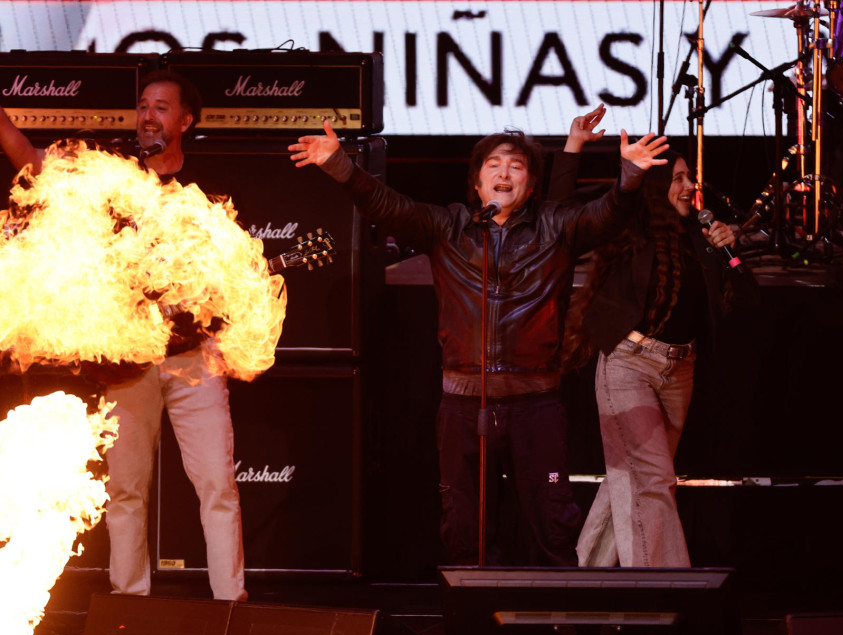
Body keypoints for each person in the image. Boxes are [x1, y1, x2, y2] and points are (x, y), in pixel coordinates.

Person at [289, 108, 668, 566]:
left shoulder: (556, 228)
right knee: (466, 535)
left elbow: (606, 216)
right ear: (477, 183)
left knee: (552, 529)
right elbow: (385, 203)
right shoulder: (445, 227)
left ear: (530, 187)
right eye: (494, 165)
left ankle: (561, 634)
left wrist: (628, 176)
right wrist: (340, 165)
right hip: (464, 407)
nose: (504, 172)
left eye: (516, 166)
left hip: (536, 408)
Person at [0, 70, 247, 601]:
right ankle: (129, 607)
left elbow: (230, 275)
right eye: (142, 106)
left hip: (193, 362)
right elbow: (34, 165)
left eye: (161, 106)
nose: (148, 115)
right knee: (125, 491)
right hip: (126, 362)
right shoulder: (110, 176)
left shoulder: (209, 190)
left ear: (184, 121)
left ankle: (233, 606)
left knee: (218, 488)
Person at [559, 146, 759, 568]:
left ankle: (580, 594)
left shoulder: (701, 239)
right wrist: (619, 169)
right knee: (653, 482)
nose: (690, 188)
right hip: (630, 364)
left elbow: (745, 302)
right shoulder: (628, 227)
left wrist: (730, 251)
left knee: (629, 480)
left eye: (690, 178)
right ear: (654, 187)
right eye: (679, 179)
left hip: (678, 372)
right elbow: (567, 209)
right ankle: (667, 597)